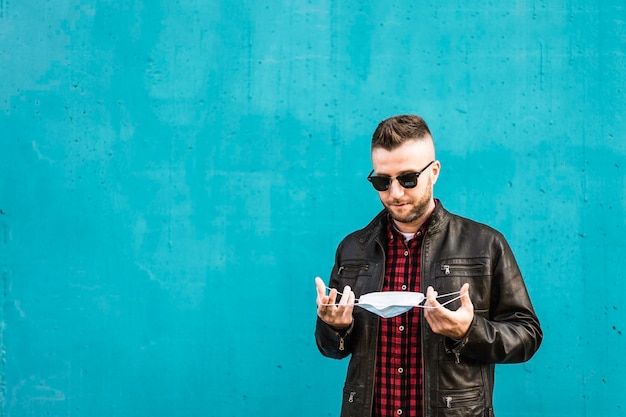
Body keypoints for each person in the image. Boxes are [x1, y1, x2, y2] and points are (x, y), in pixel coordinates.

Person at [314, 114, 543, 417]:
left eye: (408, 179)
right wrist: (336, 326)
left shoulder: (485, 244)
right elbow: (333, 348)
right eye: (382, 181)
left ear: (434, 172)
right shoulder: (353, 249)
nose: (394, 193)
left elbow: (527, 335)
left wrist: (469, 331)